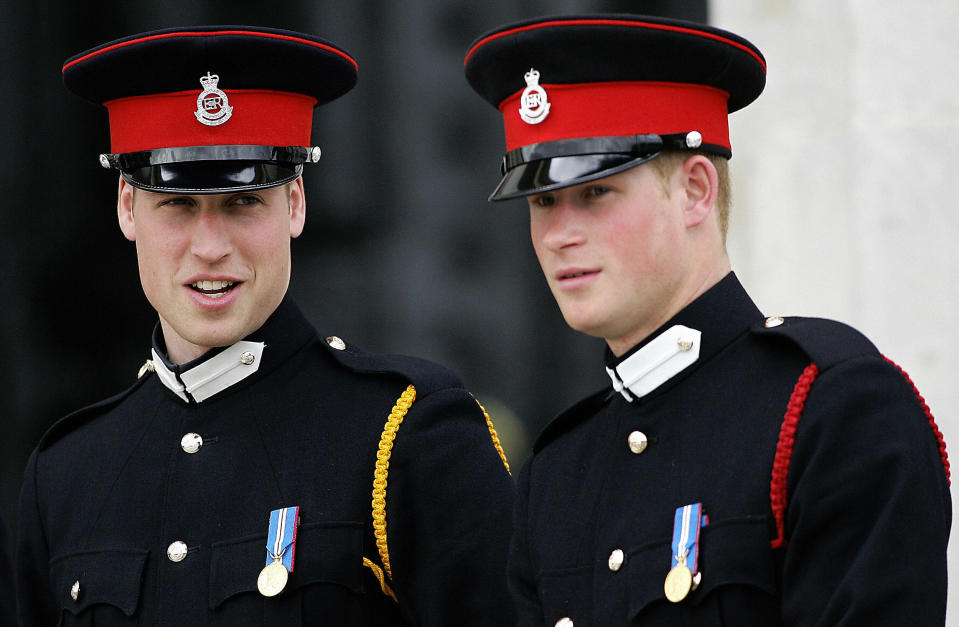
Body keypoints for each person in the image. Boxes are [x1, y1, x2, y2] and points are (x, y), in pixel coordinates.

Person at [464, 13, 951, 626]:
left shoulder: (829, 407)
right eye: (542, 202)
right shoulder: (556, 476)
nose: (559, 234)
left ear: (695, 190)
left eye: (595, 193)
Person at [17, 26, 514, 626]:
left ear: (296, 203)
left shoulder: (406, 432)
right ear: (127, 206)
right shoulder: (66, 472)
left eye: (243, 203)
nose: (210, 247)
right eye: (177, 204)